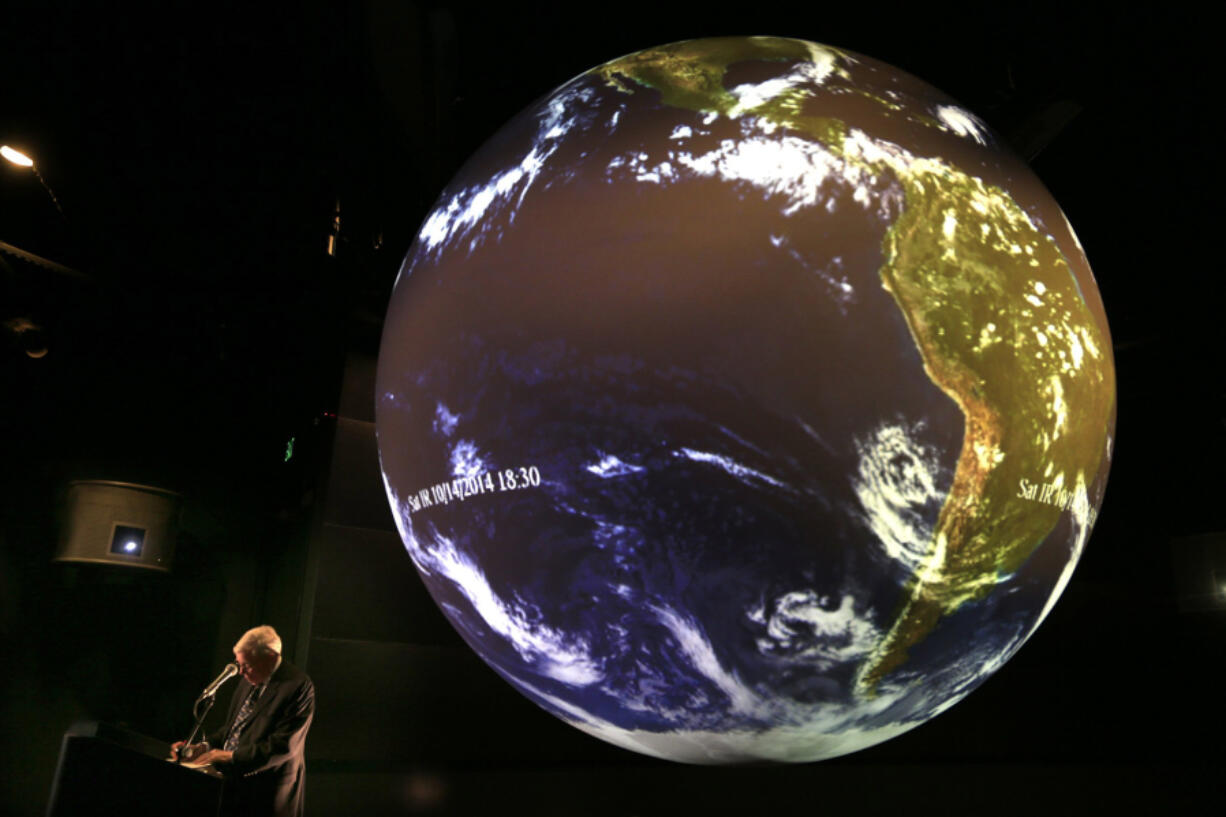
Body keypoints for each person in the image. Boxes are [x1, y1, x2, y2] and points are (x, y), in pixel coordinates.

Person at [172, 626, 314, 817]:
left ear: (271, 657)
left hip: (267, 793)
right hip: (234, 787)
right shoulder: (250, 676)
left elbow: (283, 747)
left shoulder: (297, 686)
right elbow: (233, 729)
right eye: (239, 664)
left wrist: (230, 756)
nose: (240, 672)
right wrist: (204, 747)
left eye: (246, 665)